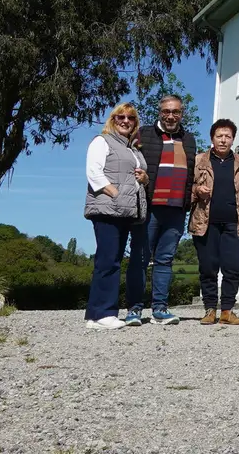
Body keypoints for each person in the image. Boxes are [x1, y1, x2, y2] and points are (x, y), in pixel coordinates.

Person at [189, 119, 239, 325]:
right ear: (212, 139)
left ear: (233, 139)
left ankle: (227, 310)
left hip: (235, 224)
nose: (223, 140)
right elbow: (185, 188)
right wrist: (196, 191)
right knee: (208, 267)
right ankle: (209, 309)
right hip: (205, 223)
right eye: (219, 136)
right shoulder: (199, 161)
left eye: (227, 136)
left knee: (233, 267)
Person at [83, 103, 149, 331]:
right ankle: (105, 312)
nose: (125, 120)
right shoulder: (102, 141)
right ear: (112, 119)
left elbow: (134, 175)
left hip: (125, 211)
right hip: (108, 209)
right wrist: (116, 194)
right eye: (120, 116)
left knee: (110, 260)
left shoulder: (132, 148)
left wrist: (144, 178)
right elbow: (94, 172)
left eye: (131, 118)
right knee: (108, 261)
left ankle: (94, 316)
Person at [132, 94, 197, 325]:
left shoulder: (189, 139)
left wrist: (188, 202)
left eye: (175, 112)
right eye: (166, 111)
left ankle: (160, 308)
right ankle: (134, 309)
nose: (171, 116)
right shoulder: (144, 134)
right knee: (139, 259)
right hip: (148, 208)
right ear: (160, 112)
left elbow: (190, 175)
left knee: (165, 260)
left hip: (176, 209)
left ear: (182, 113)